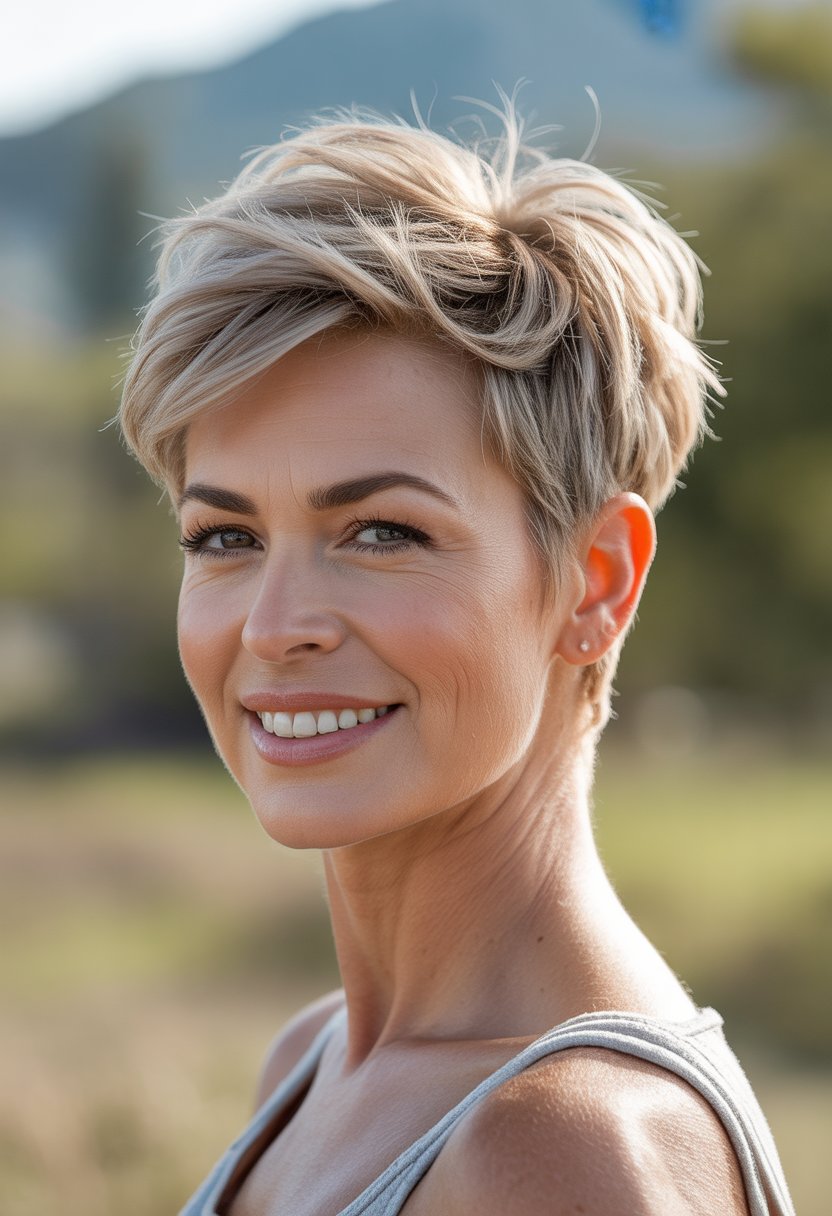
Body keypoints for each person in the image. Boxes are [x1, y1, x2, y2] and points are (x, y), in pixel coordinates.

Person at [118, 104, 795, 1215]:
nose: (275, 624)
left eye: (381, 532)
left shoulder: (566, 1151)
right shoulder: (310, 1061)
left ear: (596, 581)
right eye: (225, 537)